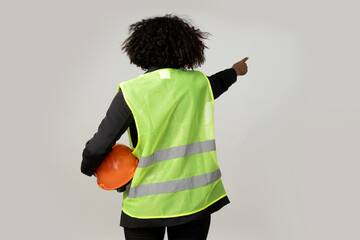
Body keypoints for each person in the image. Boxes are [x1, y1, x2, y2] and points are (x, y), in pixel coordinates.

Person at [81, 13, 249, 240]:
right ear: (188, 47)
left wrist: (88, 167)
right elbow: (220, 82)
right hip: (194, 202)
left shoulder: (132, 92)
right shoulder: (199, 84)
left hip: (145, 205)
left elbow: (99, 145)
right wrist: (236, 70)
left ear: (140, 48)